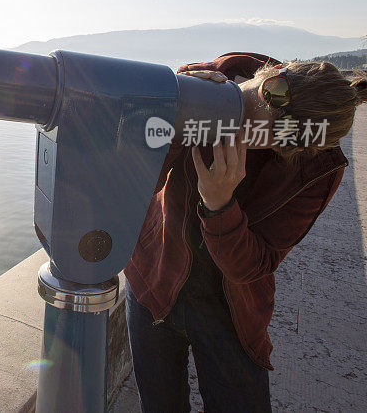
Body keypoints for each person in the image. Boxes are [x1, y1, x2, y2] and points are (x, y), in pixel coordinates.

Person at [123, 52, 367, 412]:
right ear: (270, 82)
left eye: (286, 146)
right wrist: (179, 110)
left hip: (233, 311)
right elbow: (132, 188)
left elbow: (255, 264)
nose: (258, 142)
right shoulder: (199, 88)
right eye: (271, 132)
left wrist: (220, 207)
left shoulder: (318, 165)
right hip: (155, 279)